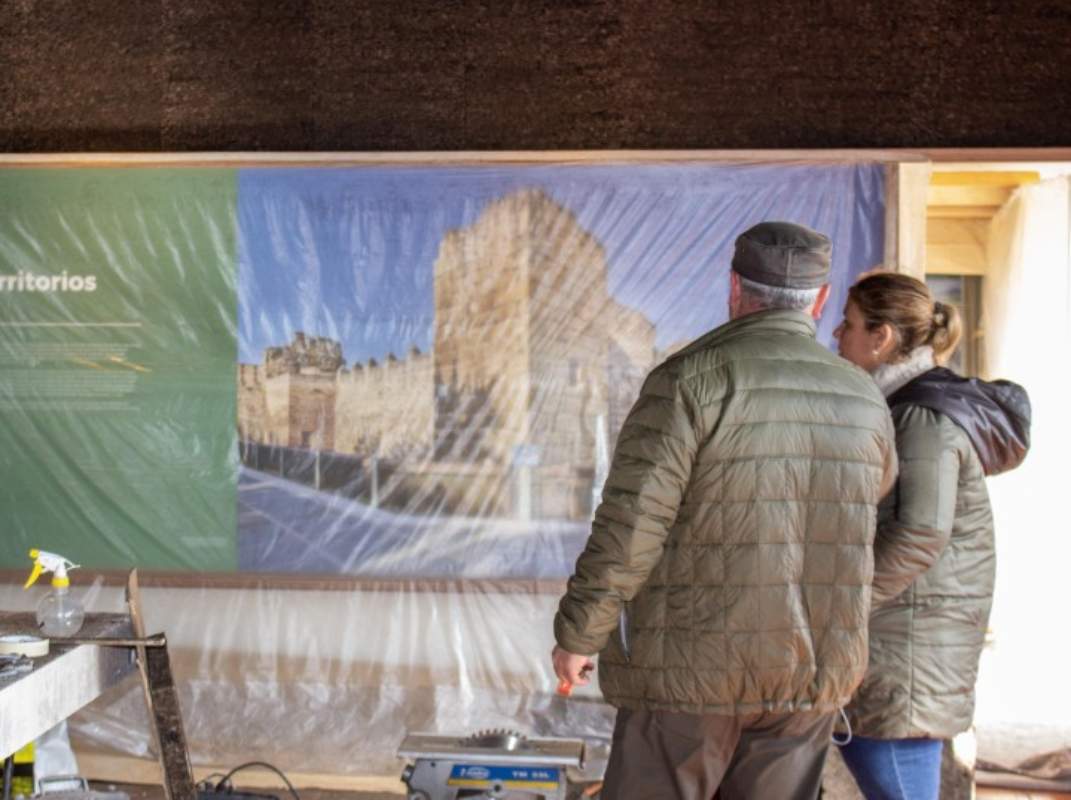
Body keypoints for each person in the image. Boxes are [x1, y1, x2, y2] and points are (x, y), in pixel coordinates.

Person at [552, 221, 898, 800]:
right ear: (818, 300)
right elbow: (872, 507)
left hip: (689, 672)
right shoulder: (864, 397)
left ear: (735, 288)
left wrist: (581, 632)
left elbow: (634, 521)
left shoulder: (688, 379)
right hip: (808, 672)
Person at [833, 272, 1030, 800]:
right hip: (907, 635)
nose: (836, 335)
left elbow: (920, 532)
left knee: (893, 771)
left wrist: (845, 602)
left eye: (848, 324)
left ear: (882, 339)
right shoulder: (907, 408)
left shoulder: (921, 418)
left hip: (909, 645)